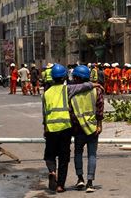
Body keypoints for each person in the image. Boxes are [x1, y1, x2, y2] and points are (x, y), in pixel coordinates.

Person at [42, 63, 93, 194]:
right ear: (64, 77)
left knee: (50, 155)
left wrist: (45, 128)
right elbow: (85, 85)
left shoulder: (46, 94)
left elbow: (44, 113)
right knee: (64, 157)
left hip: (51, 128)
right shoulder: (68, 89)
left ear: (52, 78)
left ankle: (52, 171)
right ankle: (60, 185)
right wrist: (95, 85)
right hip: (65, 127)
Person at [70, 65, 103, 193]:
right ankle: (90, 183)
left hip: (78, 129)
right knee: (92, 155)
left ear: (77, 77)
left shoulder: (73, 91)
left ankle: (80, 179)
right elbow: (100, 109)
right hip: (93, 127)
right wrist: (99, 125)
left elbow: (71, 112)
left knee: (78, 153)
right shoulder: (97, 91)